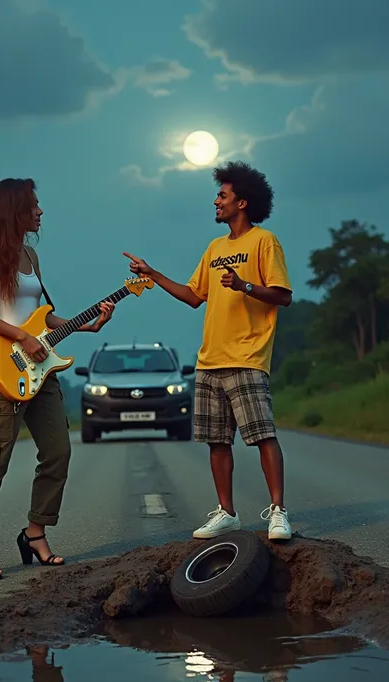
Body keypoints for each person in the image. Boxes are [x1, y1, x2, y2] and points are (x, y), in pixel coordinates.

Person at [0, 178, 115, 580]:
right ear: (16, 211)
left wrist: (87, 325)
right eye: (34, 206)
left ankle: (34, 533)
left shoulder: (29, 255)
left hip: (40, 370)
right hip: (2, 368)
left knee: (58, 451)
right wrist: (22, 337)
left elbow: (41, 320)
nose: (41, 212)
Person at [124, 161, 292, 541]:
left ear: (242, 203)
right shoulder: (215, 248)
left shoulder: (264, 242)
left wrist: (245, 286)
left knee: (263, 434)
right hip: (210, 360)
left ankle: (278, 512)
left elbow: (283, 296)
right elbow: (192, 296)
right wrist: (152, 274)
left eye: (222, 196)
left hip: (247, 357)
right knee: (217, 441)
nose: (216, 201)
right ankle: (227, 513)